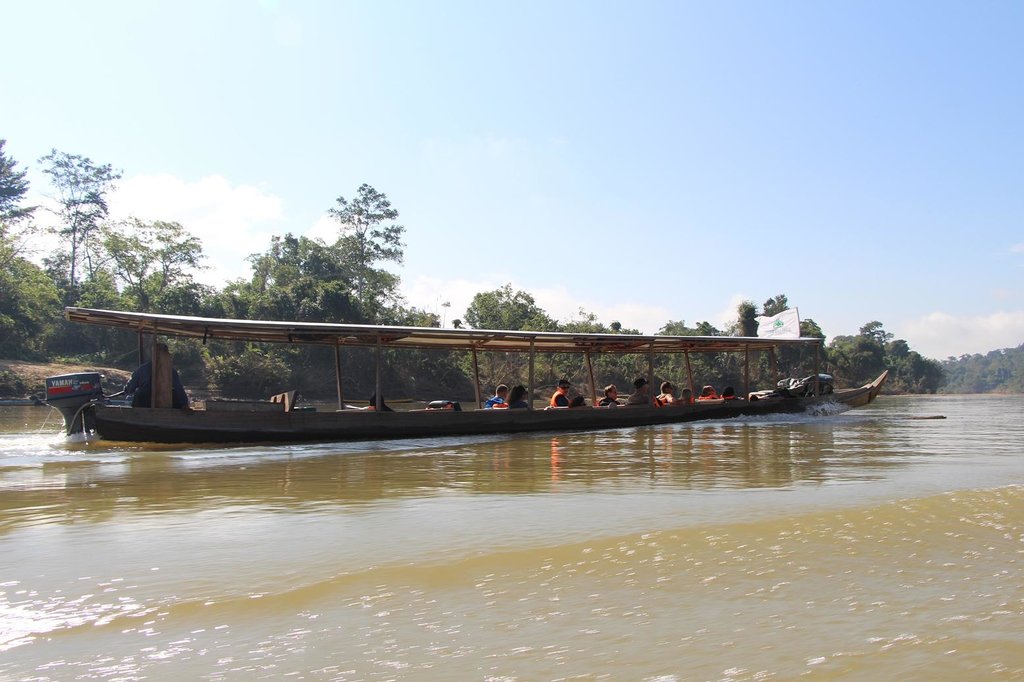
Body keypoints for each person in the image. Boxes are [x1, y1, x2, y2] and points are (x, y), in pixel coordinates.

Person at [125, 342, 189, 409]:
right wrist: (184, 404)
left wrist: (126, 390)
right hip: (147, 404)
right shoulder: (171, 371)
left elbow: (130, 388)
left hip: (151, 405)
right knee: (139, 393)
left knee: (139, 393)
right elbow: (179, 389)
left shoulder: (142, 369)